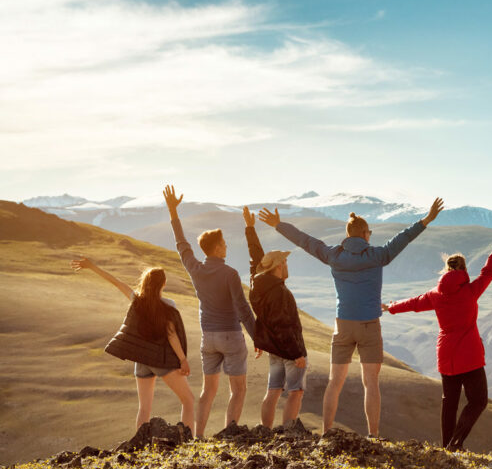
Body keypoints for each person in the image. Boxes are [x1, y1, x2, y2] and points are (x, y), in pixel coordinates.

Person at [261, 198, 445, 436]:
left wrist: (279, 225)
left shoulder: (334, 255)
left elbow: (306, 241)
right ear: (364, 234)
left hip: (343, 325)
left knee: (334, 383)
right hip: (369, 325)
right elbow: (404, 238)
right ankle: (374, 435)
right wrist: (426, 220)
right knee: (371, 383)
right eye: (369, 232)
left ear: (349, 235)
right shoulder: (378, 255)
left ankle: (327, 432)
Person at [384, 218, 492, 450]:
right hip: (470, 355)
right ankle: (456, 443)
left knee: (450, 403)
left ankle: (448, 446)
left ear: (446, 270)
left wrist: (392, 306)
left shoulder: (435, 295)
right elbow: (489, 269)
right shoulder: (472, 290)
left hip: (446, 355)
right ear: (464, 270)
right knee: (478, 401)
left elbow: (413, 303)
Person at [163, 185, 256, 437]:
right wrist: (259, 338)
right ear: (215, 248)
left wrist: (173, 212)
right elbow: (243, 308)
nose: (226, 247)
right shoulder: (230, 274)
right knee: (238, 390)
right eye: (224, 244)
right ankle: (229, 435)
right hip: (231, 336)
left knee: (208, 391)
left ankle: (198, 437)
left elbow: (181, 244)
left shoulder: (196, 269)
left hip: (209, 338)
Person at [71, 258, 195, 434]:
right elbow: (172, 334)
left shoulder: (137, 299)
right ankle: (188, 442)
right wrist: (183, 359)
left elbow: (116, 282)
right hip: (160, 360)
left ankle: (140, 444)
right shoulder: (168, 305)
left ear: (145, 283)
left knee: (144, 409)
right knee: (188, 400)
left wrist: (92, 266)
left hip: (141, 360)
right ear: (164, 284)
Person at [243, 207, 307, 429]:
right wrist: (297, 353)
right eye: (285, 263)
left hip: (272, 348)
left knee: (273, 390)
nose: (287, 266)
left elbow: (255, 257)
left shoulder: (257, 284)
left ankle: (265, 432)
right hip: (288, 348)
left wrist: (250, 229)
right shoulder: (279, 292)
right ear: (280, 266)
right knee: (296, 391)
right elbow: (284, 325)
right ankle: (290, 433)